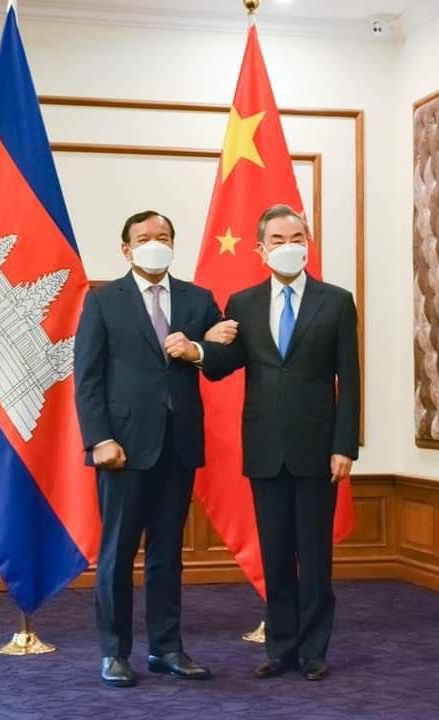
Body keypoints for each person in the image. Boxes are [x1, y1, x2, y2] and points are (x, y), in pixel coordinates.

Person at [166, 203, 360, 682]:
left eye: (296, 238)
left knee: (314, 556)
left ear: (307, 243)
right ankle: (281, 649)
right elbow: (223, 364)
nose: (288, 246)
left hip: (318, 448)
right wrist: (196, 349)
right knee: (275, 554)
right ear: (260, 249)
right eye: (277, 240)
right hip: (264, 446)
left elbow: (350, 379)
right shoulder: (244, 303)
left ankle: (314, 652)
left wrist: (345, 446)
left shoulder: (336, 301)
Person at [74, 210, 221, 688]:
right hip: (122, 448)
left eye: (163, 236)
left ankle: (167, 648)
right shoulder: (103, 301)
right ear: (126, 249)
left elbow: (224, 359)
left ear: (174, 243)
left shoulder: (199, 299)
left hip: (178, 446)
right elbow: (87, 378)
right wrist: (99, 439)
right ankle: (114, 653)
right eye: (143, 238)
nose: (154, 243)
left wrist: (200, 349)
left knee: (167, 553)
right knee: (117, 553)